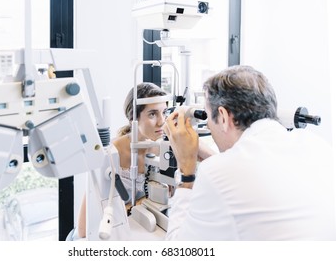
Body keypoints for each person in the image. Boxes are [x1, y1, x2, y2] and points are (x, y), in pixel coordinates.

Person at [163, 65, 335, 240]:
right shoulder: (316, 145)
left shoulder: (216, 173)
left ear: (222, 116)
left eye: (208, 118)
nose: (208, 125)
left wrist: (186, 171)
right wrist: (207, 155)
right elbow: (253, 170)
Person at [76, 82, 168, 238]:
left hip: (137, 227)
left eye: (164, 112)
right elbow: (83, 229)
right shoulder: (110, 155)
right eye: (152, 114)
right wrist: (139, 204)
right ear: (133, 118)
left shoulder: (159, 148)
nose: (161, 121)